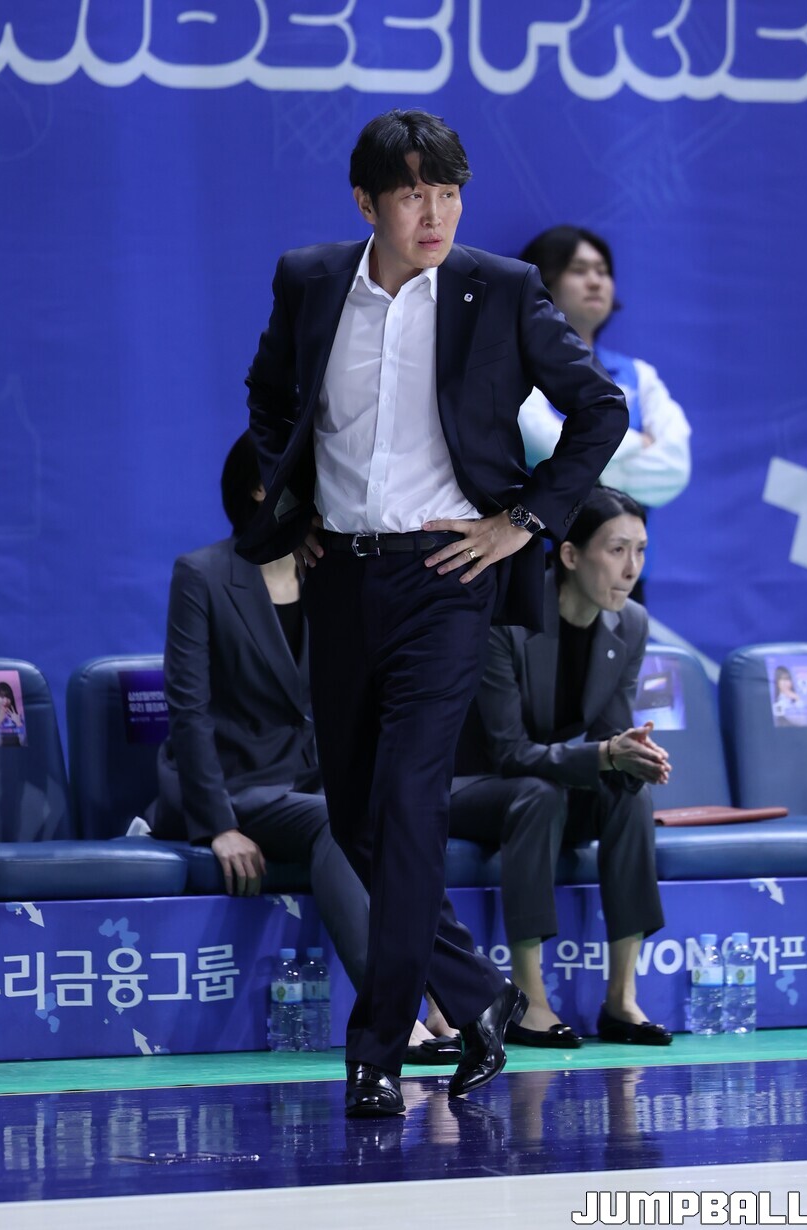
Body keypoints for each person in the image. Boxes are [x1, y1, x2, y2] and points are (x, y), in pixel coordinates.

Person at [238, 109, 629, 1116]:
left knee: (410, 804)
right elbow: (269, 400)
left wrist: (523, 522)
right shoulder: (310, 279)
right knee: (359, 820)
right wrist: (295, 514)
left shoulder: (500, 288)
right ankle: (480, 991)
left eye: (448, 193)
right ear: (366, 202)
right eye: (413, 193)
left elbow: (600, 410)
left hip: (449, 578)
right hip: (340, 577)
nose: (435, 213)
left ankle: (379, 1048)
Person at [148, 432, 456, 1062]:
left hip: (310, 781)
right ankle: (390, 1014)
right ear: (263, 491)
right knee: (338, 822)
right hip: (232, 788)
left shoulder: (332, 572)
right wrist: (218, 825)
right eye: (309, 480)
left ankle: (444, 995)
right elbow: (190, 711)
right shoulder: (203, 575)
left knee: (396, 815)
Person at [451, 487, 673, 1046]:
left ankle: (621, 998)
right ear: (570, 555)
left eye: (641, 551)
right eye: (617, 550)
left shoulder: (631, 624)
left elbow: (610, 736)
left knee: (630, 793)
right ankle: (529, 1000)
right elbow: (508, 752)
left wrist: (634, 755)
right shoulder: (510, 620)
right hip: (476, 786)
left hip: (544, 784)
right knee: (539, 793)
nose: (631, 569)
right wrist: (605, 755)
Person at [518, 225, 691, 602]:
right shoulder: (517, 367)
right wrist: (638, 444)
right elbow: (541, 443)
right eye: (579, 270)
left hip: (623, 576)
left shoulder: (639, 375)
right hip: (534, 563)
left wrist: (580, 465)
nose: (596, 281)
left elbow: (675, 469)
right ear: (544, 281)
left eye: (603, 271)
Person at [0, 679, 26, 747]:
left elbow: (24, 743)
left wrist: (19, 724)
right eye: (2, 697)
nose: (5, 701)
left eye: (8, 697)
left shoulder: (18, 717)